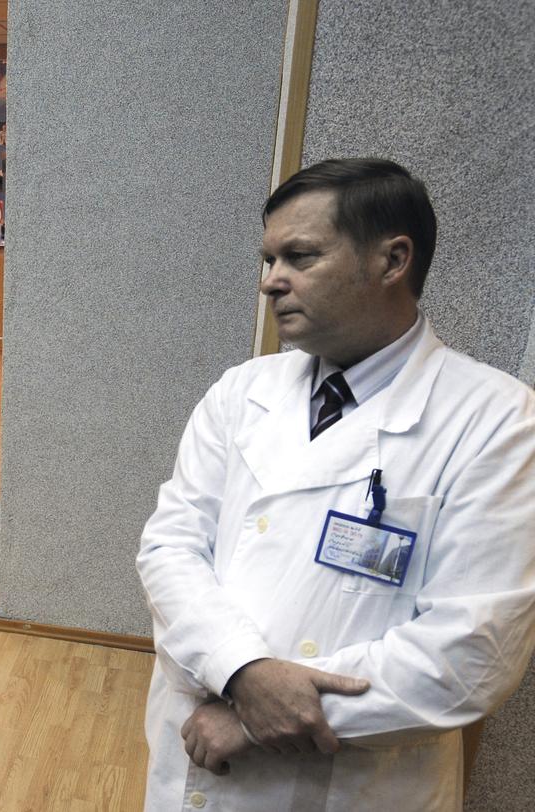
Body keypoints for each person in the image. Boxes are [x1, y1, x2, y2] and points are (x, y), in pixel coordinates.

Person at [135, 158, 535, 810]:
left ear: (392, 260)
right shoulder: (243, 391)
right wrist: (241, 671)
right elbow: (170, 547)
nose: (271, 282)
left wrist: (257, 717)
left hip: (347, 780)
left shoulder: (496, 421)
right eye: (267, 260)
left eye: (299, 256)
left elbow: (471, 653)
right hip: (198, 747)